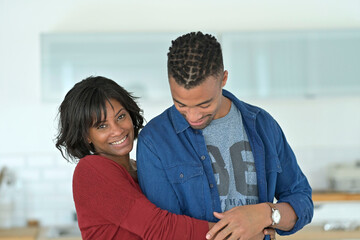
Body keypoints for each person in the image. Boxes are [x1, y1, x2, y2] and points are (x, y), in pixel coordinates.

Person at [136, 31, 314, 240]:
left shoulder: (262, 124)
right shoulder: (154, 141)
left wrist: (265, 214)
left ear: (224, 79)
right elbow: (165, 230)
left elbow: (302, 201)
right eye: (181, 104)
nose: (193, 116)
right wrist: (243, 231)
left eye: (205, 104)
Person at [55, 76, 213, 239]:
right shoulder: (91, 170)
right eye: (102, 126)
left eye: (121, 117)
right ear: (86, 136)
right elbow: (158, 228)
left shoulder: (143, 168)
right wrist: (231, 232)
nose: (117, 130)